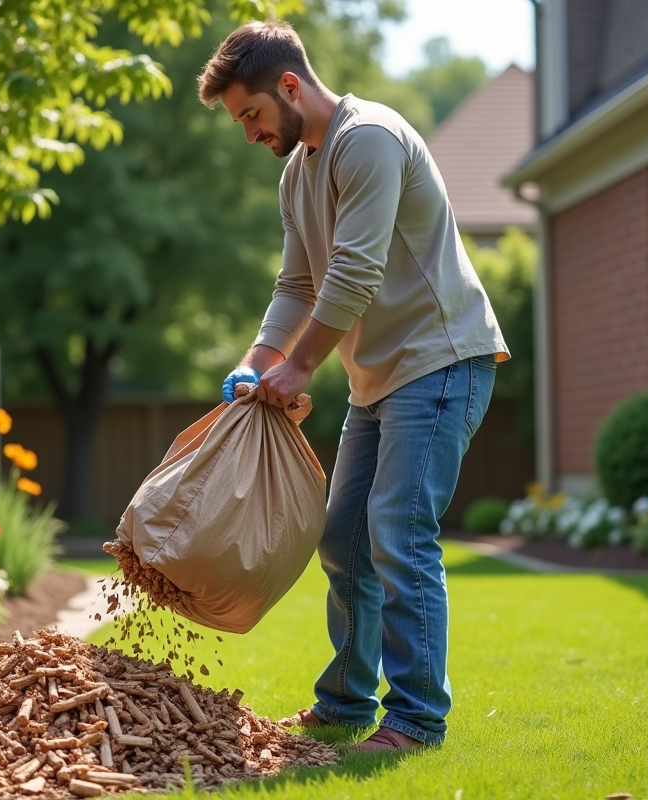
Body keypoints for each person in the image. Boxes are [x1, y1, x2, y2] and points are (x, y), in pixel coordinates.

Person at [198, 19, 509, 752]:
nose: (248, 132)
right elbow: (298, 282)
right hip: (380, 379)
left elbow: (356, 272)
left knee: (399, 533)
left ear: (290, 86)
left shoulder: (368, 138)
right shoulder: (297, 173)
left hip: (440, 360)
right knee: (343, 541)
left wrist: (301, 365)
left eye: (251, 114)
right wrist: (258, 361)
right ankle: (344, 706)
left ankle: (416, 719)